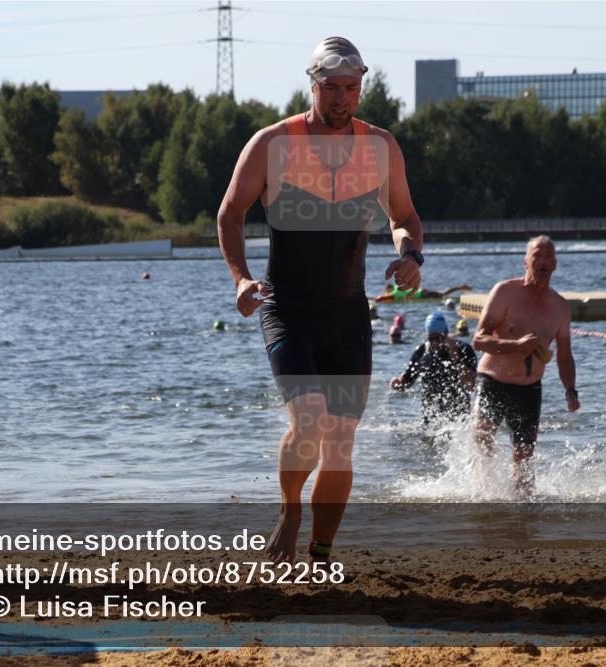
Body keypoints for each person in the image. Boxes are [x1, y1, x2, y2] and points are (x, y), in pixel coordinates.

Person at [217, 36, 424, 563]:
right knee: (307, 422)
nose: (340, 98)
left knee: (340, 443)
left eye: (350, 88)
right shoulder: (273, 143)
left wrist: (410, 257)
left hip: (349, 313)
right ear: (312, 85)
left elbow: (403, 217)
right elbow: (231, 213)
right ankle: (290, 511)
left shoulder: (381, 147)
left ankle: (322, 549)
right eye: (330, 87)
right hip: (288, 308)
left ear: (360, 89)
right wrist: (240, 278)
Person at [471, 236, 579, 496]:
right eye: (537, 256)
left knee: (524, 456)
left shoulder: (560, 307)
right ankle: (483, 496)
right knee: (482, 440)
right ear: (526, 261)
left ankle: (522, 510)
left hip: (530, 388)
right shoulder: (505, 292)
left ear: (555, 264)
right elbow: (478, 340)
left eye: (548, 256)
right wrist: (516, 346)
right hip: (493, 381)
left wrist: (571, 391)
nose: (542, 261)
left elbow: (564, 356)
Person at [390, 312, 476, 428]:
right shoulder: (422, 351)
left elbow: (470, 385)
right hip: (431, 422)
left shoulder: (464, 349)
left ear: (446, 333)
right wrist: (398, 384)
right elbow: (407, 382)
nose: (435, 342)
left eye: (439, 338)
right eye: (431, 338)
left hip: (459, 422)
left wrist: (455, 356)